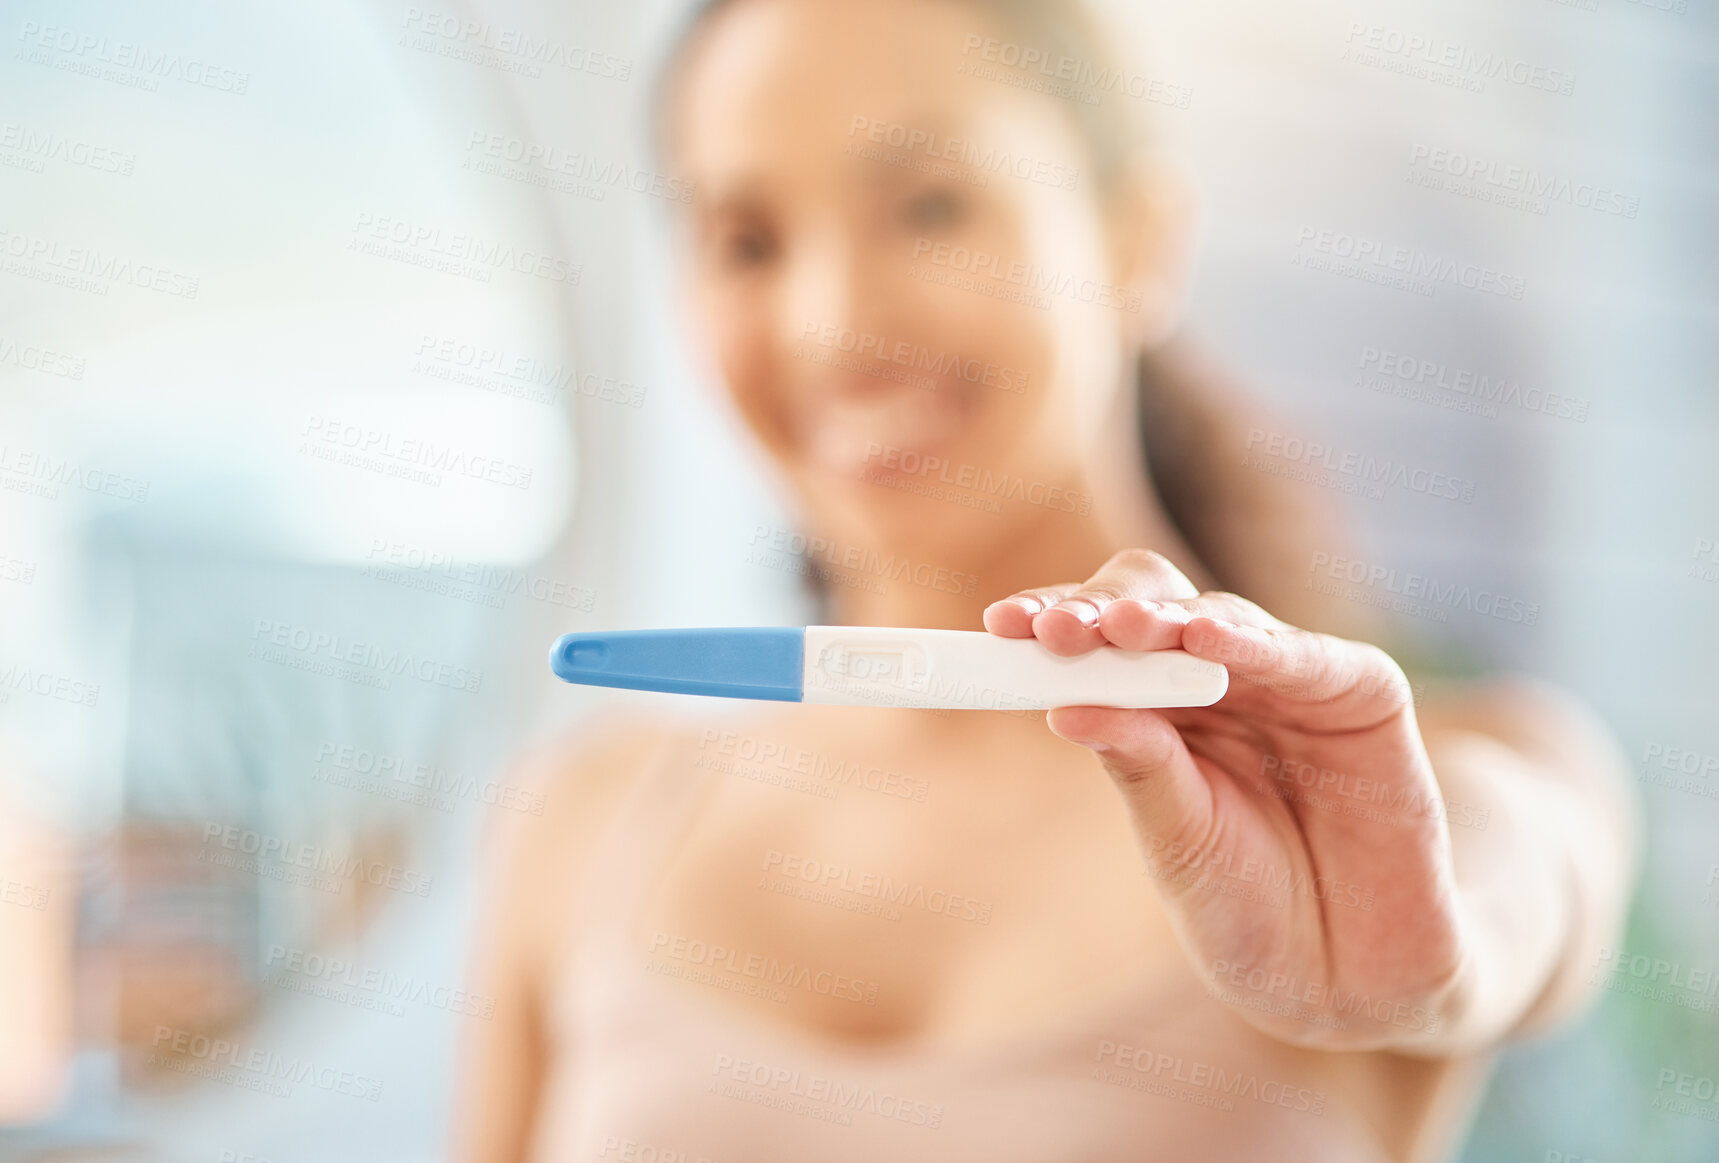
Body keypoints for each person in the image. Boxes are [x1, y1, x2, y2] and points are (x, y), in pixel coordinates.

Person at [453, 0, 1638, 1158]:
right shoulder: (576, 820)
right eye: (748, 240)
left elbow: (1508, 877)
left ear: (1135, 239)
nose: (834, 322)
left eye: (929, 205)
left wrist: (1440, 946)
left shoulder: (1388, 791)